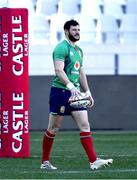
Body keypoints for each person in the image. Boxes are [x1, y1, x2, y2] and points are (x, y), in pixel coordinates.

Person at [40, 19, 113, 170]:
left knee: (85, 125)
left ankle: (93, 161)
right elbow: (58, 70)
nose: (77, 32)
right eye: (74, 30)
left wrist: (87, 92)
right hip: (60, 92)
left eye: (78, 29)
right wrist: (70, 86)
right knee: (53, 128)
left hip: (76, 93)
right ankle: (45, 162)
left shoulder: (79, 51)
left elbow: (81, 72)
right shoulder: (61, 48)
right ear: (66, 31)